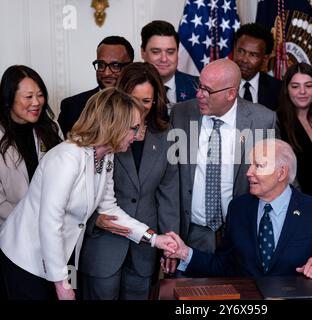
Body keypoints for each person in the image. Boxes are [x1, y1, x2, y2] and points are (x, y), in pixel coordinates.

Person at [0, 88, 176, 300]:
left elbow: (110, 209)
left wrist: (154, 238)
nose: (137, 137)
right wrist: (62, 285)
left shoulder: (105, 156)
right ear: (114, 125)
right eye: (134, 128)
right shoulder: (66, 158)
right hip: (27, 257)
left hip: (66, 254)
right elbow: (49, 221)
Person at [162, 139, 312, 279]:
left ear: (282, 173)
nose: (248, 172)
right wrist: (185, 252)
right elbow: (223, 264)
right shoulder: (238, 208)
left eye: (258, 165)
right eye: (250, 165)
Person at [79, 62, 179, 300]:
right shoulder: (100, 134)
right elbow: (79, 191)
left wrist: (169, 245)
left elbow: (169, 196)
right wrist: (95, 220)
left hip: (145, 249)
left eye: (146, 101)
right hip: (102, 244)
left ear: (155, 100)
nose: (139, 108)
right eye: (132, 99)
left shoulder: (167, 135)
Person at [170, 59, 278, 254]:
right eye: (199, 86)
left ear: (231, 93)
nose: (199, 95)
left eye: (207, 90)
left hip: (242, 235)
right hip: (191, 234)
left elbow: (278, 179)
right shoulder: (180, 114)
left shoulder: (263, 120)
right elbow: (167, 180)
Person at [0, 65, 63, 299]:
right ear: (9, 99)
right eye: (28, 96)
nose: (36, 102)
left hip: (53, 238)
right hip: (12, 240)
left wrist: (49, 224)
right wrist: (33, 223)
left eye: (40, 94)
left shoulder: (50, 130)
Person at [277, 63, 312, 203]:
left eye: (308, 86)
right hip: (295, 203)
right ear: (287, 89)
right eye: (295, 86)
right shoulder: (277, 121)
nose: (302, 91)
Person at [58, 36, 134, 137]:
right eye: (101, 65)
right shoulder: (71, 106)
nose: (106, 73)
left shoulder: (140, 103)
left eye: (115, 66)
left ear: (131, 67)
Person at [141, 20, 197, 112]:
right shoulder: (129, 89)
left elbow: (195, 124)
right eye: (156, 52)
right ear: (143, 52)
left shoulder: (197, 87)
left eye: (170, 52)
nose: (164, 59)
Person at [233, 23, 281, 111]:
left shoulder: (278, 90)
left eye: (253, 55)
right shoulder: (217, 84)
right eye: (241, 51)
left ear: (265, 59)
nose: (244, 60)